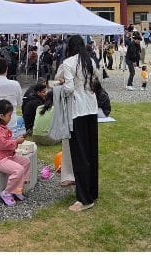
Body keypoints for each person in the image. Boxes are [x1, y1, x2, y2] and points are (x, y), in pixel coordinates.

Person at [56, 35, 100, 212]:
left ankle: (84, 198)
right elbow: (97, 82)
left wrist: (60, 86)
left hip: (77, 111)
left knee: (79, 155)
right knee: (91, 152)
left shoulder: (68, 63)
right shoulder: (90, 61)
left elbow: (68, 88)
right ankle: (92, 191)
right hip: (91, 109)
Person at [0, 99, 29, 206]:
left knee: (26, 161)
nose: (10, 118)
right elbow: (3, 144)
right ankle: (7, 192)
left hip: (7, 156)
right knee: (18, 169)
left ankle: (17, 189)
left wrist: (16, 140)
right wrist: (16, 141)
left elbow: (6, 142)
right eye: (9, 115)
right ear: (1, 116)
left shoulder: (2, 127)